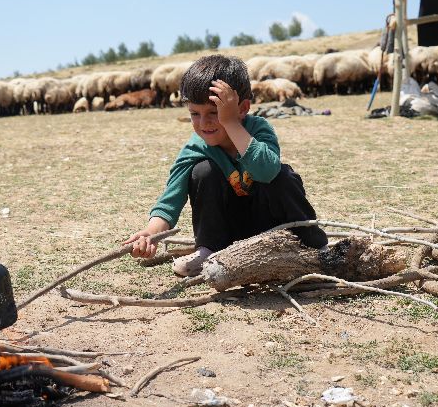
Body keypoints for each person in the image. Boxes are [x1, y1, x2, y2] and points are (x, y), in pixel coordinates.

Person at [124, 54, 328, 276]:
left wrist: (230, 122)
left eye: (214, 112)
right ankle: (210, 251)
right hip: (229, 234)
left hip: (273, 228)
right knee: (202, 172)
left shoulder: (259, 129)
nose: (204, 123)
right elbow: (171, 198)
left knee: (281, 175)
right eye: (195, 113)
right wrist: (151, 233)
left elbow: (266, 171)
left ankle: (315, 247)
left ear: (242, 108)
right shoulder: (196, 146)